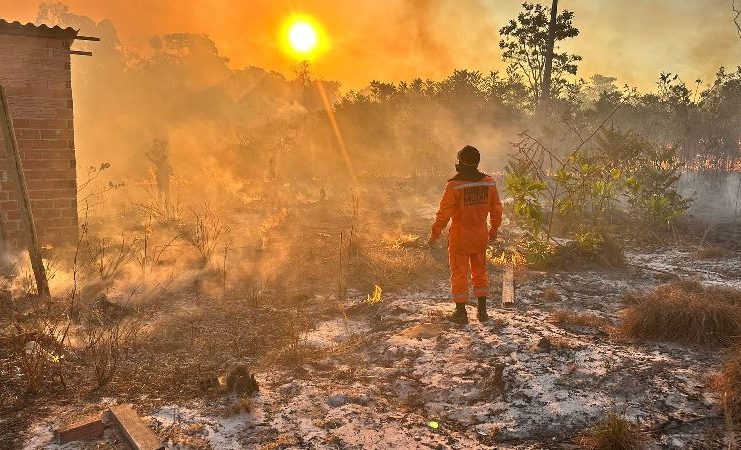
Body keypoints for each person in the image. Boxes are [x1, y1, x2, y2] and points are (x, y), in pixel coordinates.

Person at [428, 145, 503, 324]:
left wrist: (434, 234)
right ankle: (482, 312)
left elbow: (443, 214)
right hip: (480, 235)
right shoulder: (489, 182)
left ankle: (461, 313)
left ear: (461, 162)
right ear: (477, 162)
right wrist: (494, 229)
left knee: (459, 273)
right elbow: (496, 208)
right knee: (480, 271)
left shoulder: (454, 185)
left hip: (460, 237)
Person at [146, 138, 173, 205]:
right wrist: (148, 156)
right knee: (162, 194)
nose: (162, 158)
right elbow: (152, 160)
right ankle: (161, 205)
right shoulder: (159, 163)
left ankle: (165, 205)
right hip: (161, 180)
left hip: (164, 181)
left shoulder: (164, 164)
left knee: (165, 194)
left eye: (163, 157)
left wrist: (148, 156)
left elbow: (171, 171)